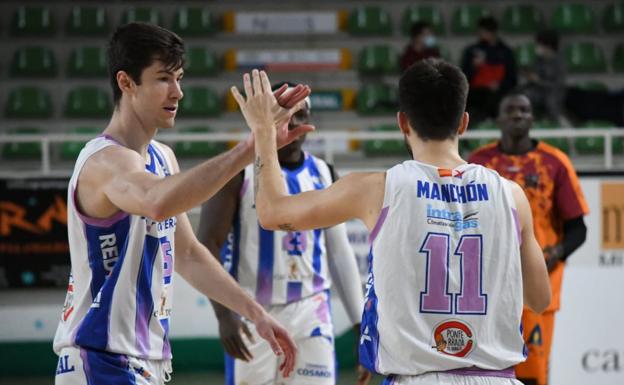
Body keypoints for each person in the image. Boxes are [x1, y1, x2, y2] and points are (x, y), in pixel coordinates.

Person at [231, 62, 551, 385]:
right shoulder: (512, 196)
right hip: (498, 377)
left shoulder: (375, 189)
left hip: (418, 377)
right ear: (464, 123)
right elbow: (540, 299)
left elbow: (271, 212)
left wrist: (264, 133)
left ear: (402, 122)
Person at [52, 22, 312, 384]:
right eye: (163, 79)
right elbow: (156, 201)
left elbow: (188, 254)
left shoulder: (163, 158)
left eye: (179, 78)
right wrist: (253, 145)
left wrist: (255, 313)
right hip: (100, 358)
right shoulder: (103, 161)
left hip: (144, 359)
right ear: (126, 83)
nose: (178, 92)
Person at [198, 83, 371, 385]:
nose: (292, 125)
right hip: (252, 311)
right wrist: (224, 314)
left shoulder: (324, 173)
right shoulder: (239, 172)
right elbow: (207, 244)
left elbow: (339, 252)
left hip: (311, 309)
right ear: (267, 118)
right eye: (283, 116)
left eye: (300, 116)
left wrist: (360, 325)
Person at [469, 93, 589, 385]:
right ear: (498, 119)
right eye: (510, 109)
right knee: (486, 372)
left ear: (533, 118)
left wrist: (555, 252)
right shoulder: (479, 163)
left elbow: (578, 228)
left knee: (532, 373)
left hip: (536, 288)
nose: (518, 115)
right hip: (487, 288)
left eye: (524, 110)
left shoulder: (555, 162)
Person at [461, 17, 517, 126]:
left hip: (498, 92)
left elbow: (512, 79)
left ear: (491, 32)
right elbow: (463, 77)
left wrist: (500, 85)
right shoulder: (472, 51)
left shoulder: (506, 52)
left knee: (497, 99)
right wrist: (474, 67)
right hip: (476, 91)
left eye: (482, 32)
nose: (480, 35)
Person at [518, 30, 566, 124]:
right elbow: (535, 75)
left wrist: (539, 81)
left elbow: (557, 84)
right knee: (524, 94)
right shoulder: (539, 60)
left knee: (551, 102)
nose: (537, 48)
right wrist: (529, 75)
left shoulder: (559, 62)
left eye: (539, 45)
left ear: (547, 46)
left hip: (554, 91)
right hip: (539, 90)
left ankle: (563, 125)